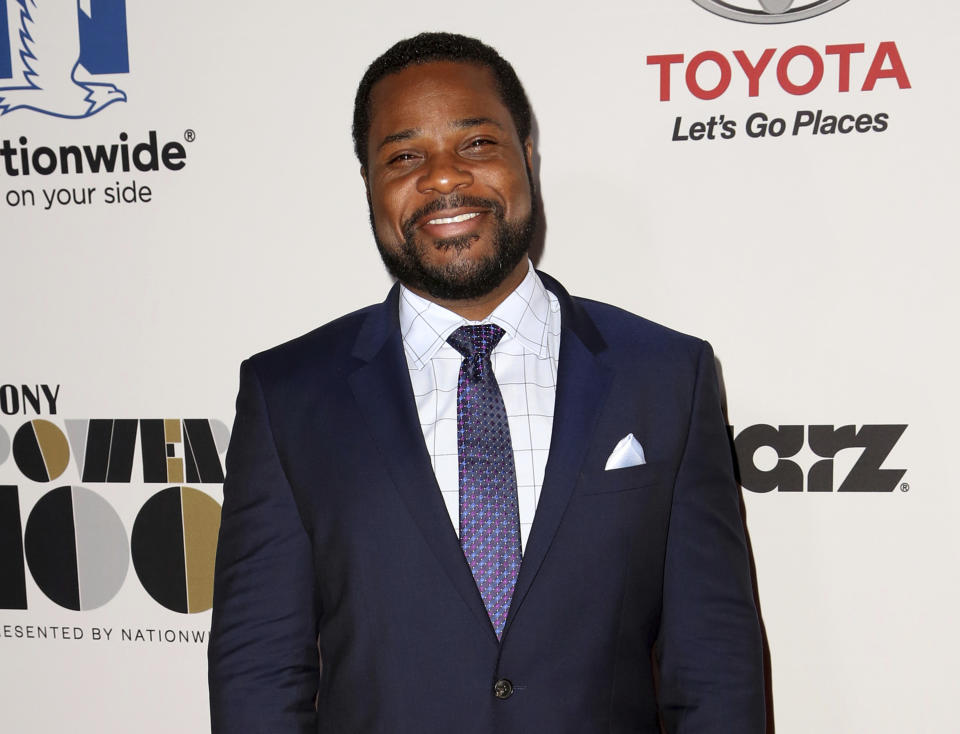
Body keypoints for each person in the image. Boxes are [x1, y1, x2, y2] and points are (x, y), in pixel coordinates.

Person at [208, 32, 764, 734]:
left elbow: (716, 664)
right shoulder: (287, 395)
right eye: (405, 156)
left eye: (475, 144)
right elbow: (259, 670)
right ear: (369, 185)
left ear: (526, 155)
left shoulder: (666, 375)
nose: (443, 177)